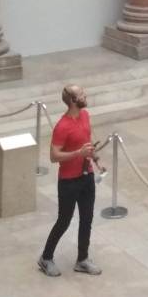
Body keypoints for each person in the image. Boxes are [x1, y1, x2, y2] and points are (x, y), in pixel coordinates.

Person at [38, 85, 102, 277]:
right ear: (73, 100)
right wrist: (77, 153)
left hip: (86, 175)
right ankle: (46, 257)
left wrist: (95, 158)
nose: (85, 94)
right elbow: (54, 156)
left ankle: (82, 259)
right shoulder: (62, 126)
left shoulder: (85, 116)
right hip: (68, 181)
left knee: (87, 218)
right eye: (81, 94)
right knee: (64, 220)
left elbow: (87, 141)